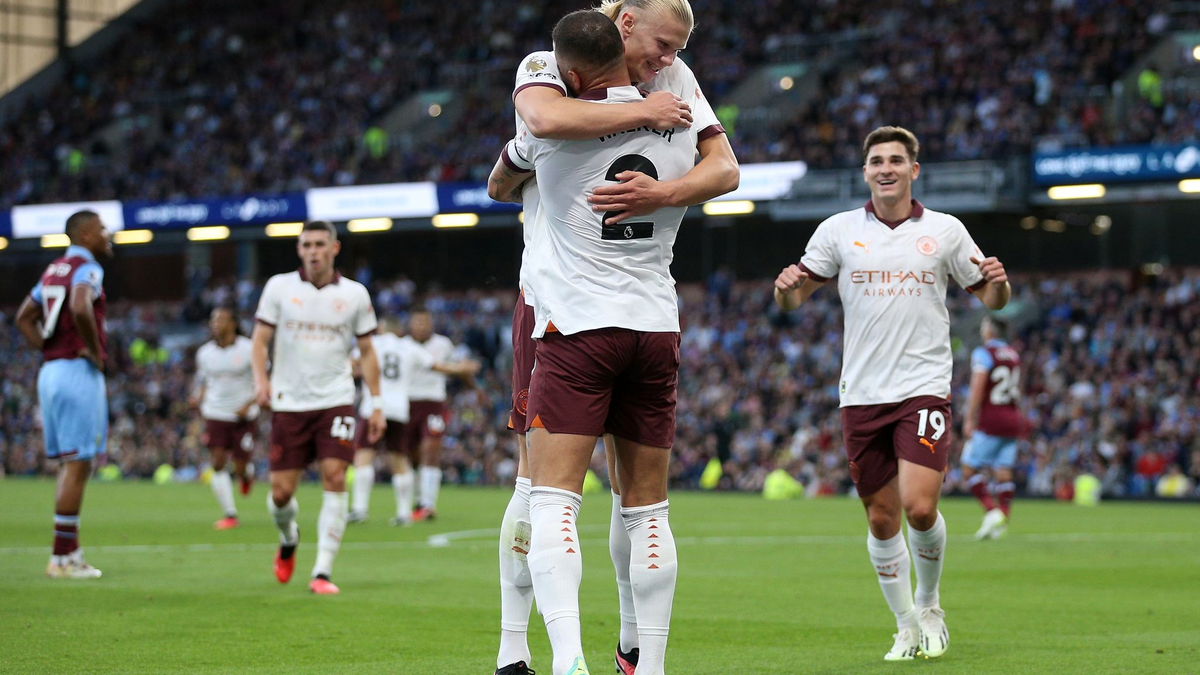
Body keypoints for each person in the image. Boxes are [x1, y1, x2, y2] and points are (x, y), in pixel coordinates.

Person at [489, 1, 738, 672]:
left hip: (575, 312)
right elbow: (545, 116)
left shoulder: (672, 79)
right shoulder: (549, 67)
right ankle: (516, 644)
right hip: (575, 303)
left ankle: (610, 647)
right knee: (610, 498)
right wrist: (645, 114)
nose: (669, 60)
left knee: (554, 492)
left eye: (678, 49)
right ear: (625, 21)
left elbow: (514, 163)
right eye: (663, 43)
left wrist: (664, 192)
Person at [773, 126, 1011, 661]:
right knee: (882, 519)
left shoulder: (945, 230)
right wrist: (785, 290)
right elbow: (794, 299)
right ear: (865, 172)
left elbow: (992, 298)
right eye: (877, 161)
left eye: (896, 160)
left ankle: (929, 605)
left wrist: (999, 283)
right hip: (861, 393)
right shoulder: (838, 230)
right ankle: (904, 625)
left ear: (913, 170)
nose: (886, 168)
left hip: (923, 387)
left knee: (919, 508)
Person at [251, 220, 385, 595]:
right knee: (281, 493)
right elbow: (259, 341)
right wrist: (261, 381)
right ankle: (288, 536)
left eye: (320, 244)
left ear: (334, 248)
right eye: (306, 245)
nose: (313, 251)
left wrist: (376, 403)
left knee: (335, 475)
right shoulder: (279, 287)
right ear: (299, 249)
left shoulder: (354, 294)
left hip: (335, 399)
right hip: (289, 401)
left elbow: (367, 351)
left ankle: (322, 571)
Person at [15, 210, 113, 579]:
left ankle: (69, 552)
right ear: (85, 235)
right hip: (76, 372)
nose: (107, 234)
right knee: (78, 464)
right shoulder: (87, 268)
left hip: (51, 371)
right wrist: (95, 352)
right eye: (101, 229)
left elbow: (24, 316)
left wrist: (49, 348)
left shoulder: (53, 269)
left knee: (70, 463)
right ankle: (62, 559)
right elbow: (79, 305)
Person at [348, 316, 479, 526]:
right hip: (399, 408)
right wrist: (462, 369)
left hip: (373, 406)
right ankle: (403, 513)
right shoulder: (408, 347)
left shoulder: (371, 343)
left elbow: (353, 363)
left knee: (365, 454)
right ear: (400, 331)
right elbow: (436, 366)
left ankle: (359, 509)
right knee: (399, 459)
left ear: (380, 329)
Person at [402, 308, 479, 522]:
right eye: (418, 322)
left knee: (431, 449)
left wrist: (474, 388)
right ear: (410, 325)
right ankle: (419, 499)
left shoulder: (443, 344)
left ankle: (428, 504)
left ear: (431, 324)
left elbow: (459, 367)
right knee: (412, 455)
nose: (422, 326)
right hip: (406, 403)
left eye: (425, 322)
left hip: (433, 403)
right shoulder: (402, 346)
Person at [192, 306, 258, 529]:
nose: (215, 324)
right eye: (213, 320)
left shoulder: (249, 349)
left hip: (243, 416)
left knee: (239, 467)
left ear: (233, 324)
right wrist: (197, 398)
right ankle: (230, 514)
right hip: (215, 413)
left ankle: (246, 476)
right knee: (218, 463)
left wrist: (249, 404)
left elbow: (262, 379)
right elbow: (203, 381)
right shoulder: (204, 353)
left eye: (220, 319)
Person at [960, 315, 1022, 540]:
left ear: (989, 331)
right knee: (1003, 471)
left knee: (968, 467)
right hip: (1012, 417)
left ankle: (992, 511)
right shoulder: (1013, 354)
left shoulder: (983, 353)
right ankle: (1002, 521)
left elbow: (978, 388)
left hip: (991, 418)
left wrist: (969, 418)